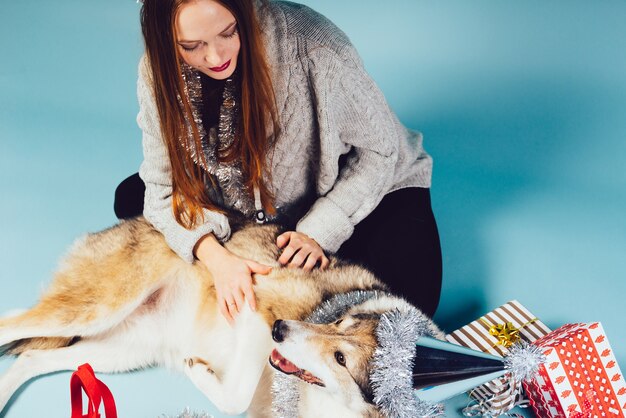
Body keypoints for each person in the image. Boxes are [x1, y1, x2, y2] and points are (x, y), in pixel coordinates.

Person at [114, 0, 442, 324]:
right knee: (131, 197)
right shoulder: (158, 70)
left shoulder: (319, 49)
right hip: (245, 201)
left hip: (355, 190)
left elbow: (380, 151)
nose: (215, 57)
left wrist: (319, 231)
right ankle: (268, 255)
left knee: (408, 310)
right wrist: (218, 260)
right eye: (192, 45)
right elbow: (158, 188)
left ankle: (302, 257)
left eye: (229, 32)